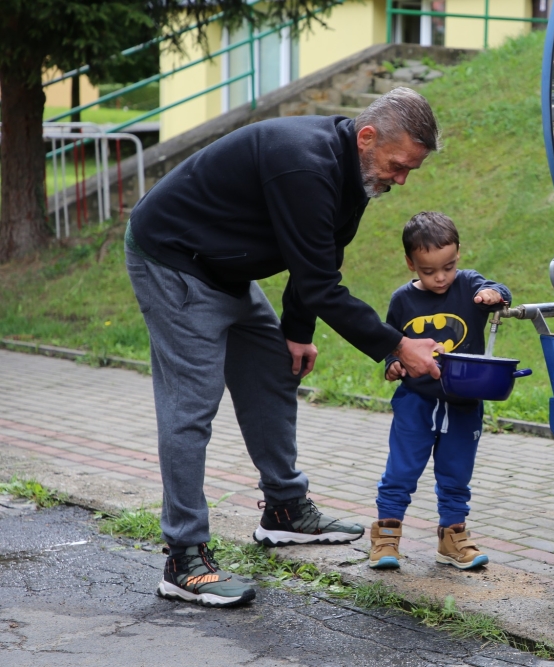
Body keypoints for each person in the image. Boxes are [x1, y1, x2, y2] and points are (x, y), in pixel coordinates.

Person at [124, 88, 444, 608]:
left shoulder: (356, 175)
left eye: (410, 169)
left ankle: (284, 511)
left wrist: (297, 331)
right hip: (175, 261)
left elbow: (318, 261)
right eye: (398, 164)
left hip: (226, 267)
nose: (401, 179)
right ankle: (183, 557)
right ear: (367, 138)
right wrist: (396, 345)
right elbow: (321, 283)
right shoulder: (304, 165)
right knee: (191, 408)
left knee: (275, 372)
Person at [368, 211, 511, 571]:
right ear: (410, 263)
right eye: (429, 271)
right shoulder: (403, 300)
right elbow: (391, 341)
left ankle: (453, 538)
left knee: (456, 474)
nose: (440, 277)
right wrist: (393, 364)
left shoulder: (469, 284)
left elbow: (498, 290)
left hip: (464, 401)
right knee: (401, 471)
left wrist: (494, 294)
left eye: (447, 267)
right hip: (415, 401)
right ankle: (386, 537)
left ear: (457, 254)